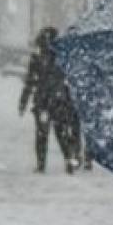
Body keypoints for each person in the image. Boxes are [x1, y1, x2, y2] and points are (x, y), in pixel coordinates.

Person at [18, 27, 80, 173]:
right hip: (60, 101)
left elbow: (30, 81)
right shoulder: (62, 56)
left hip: (42, 103)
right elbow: (71, 80)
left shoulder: (38, 58)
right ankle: (69, 159)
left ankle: (41, 165)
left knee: (42, 134)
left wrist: (23, 101)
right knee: (61, 133)